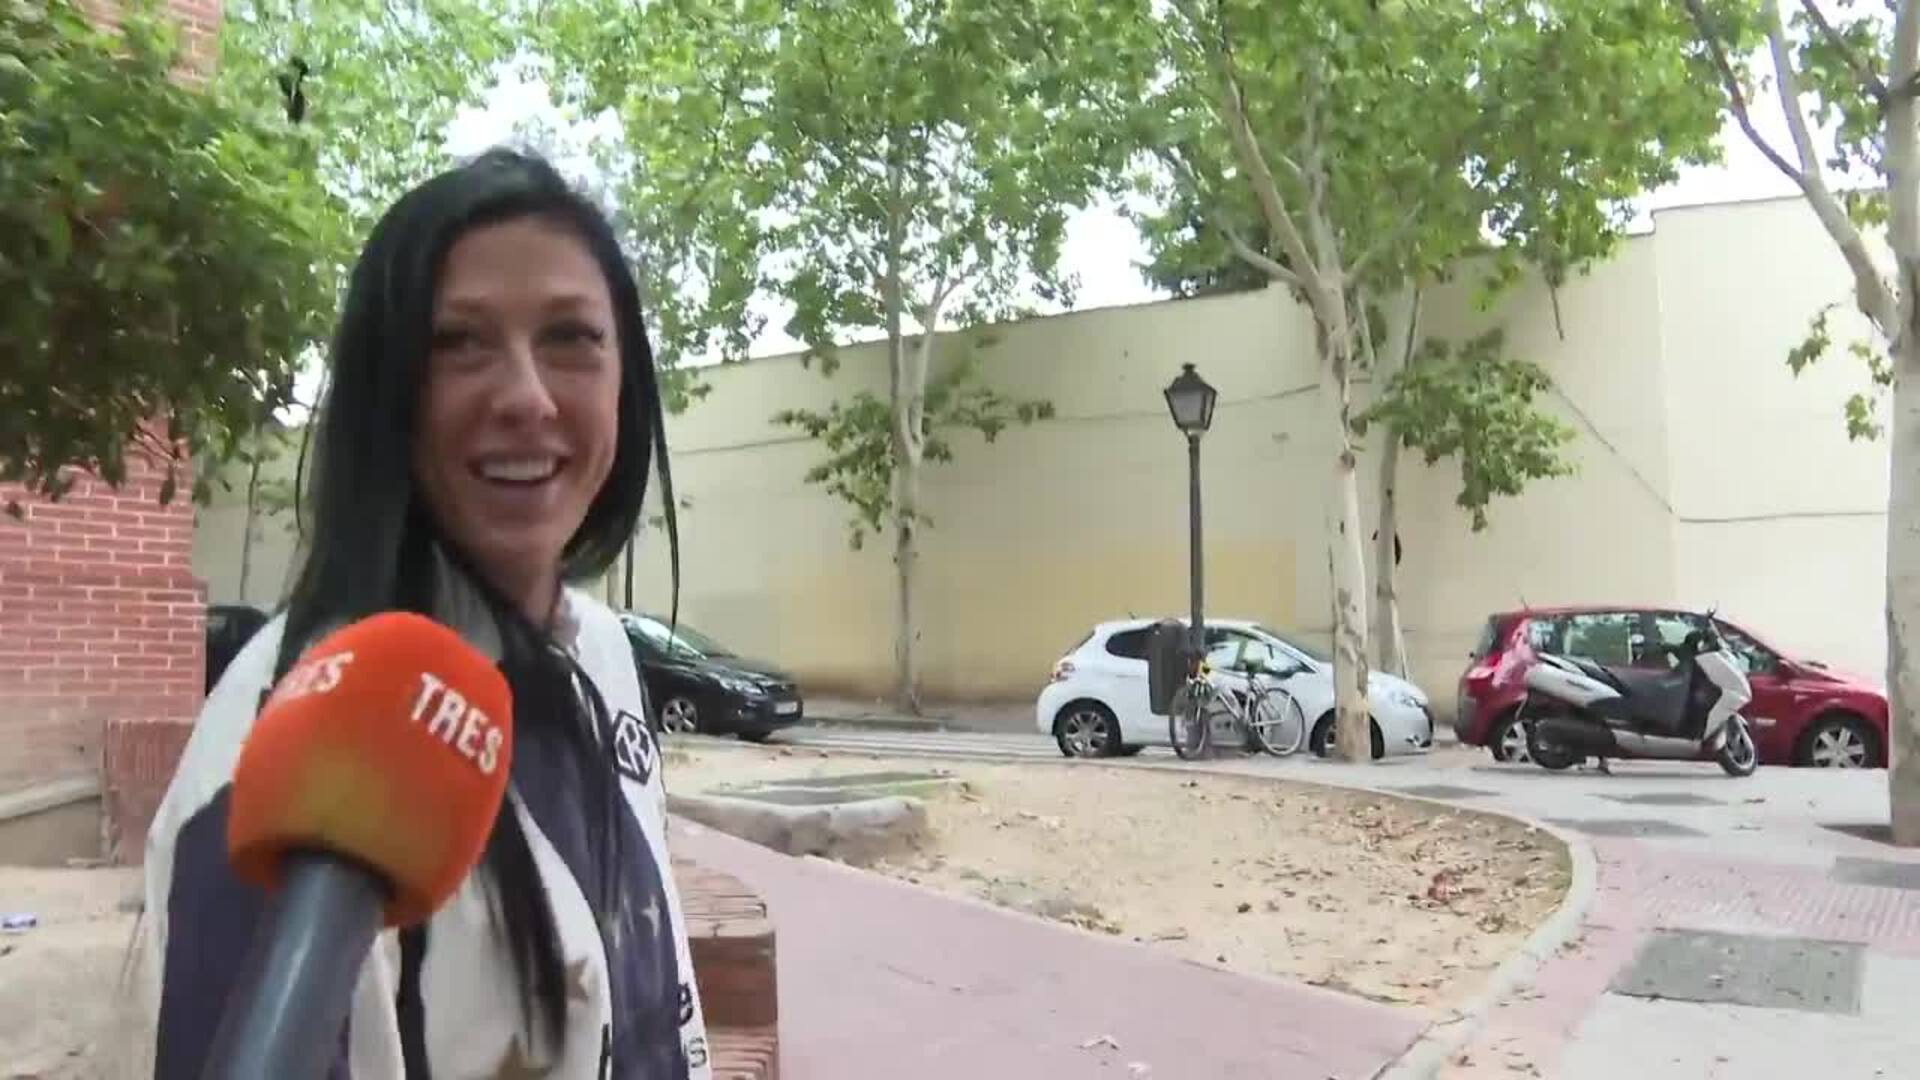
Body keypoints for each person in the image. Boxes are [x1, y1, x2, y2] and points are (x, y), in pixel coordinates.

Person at [131, 149, 711, 1079]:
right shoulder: (288, 747)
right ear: (387, 393)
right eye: (459, 343)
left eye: (571, 337)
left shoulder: (598, 649)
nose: (526, 397)